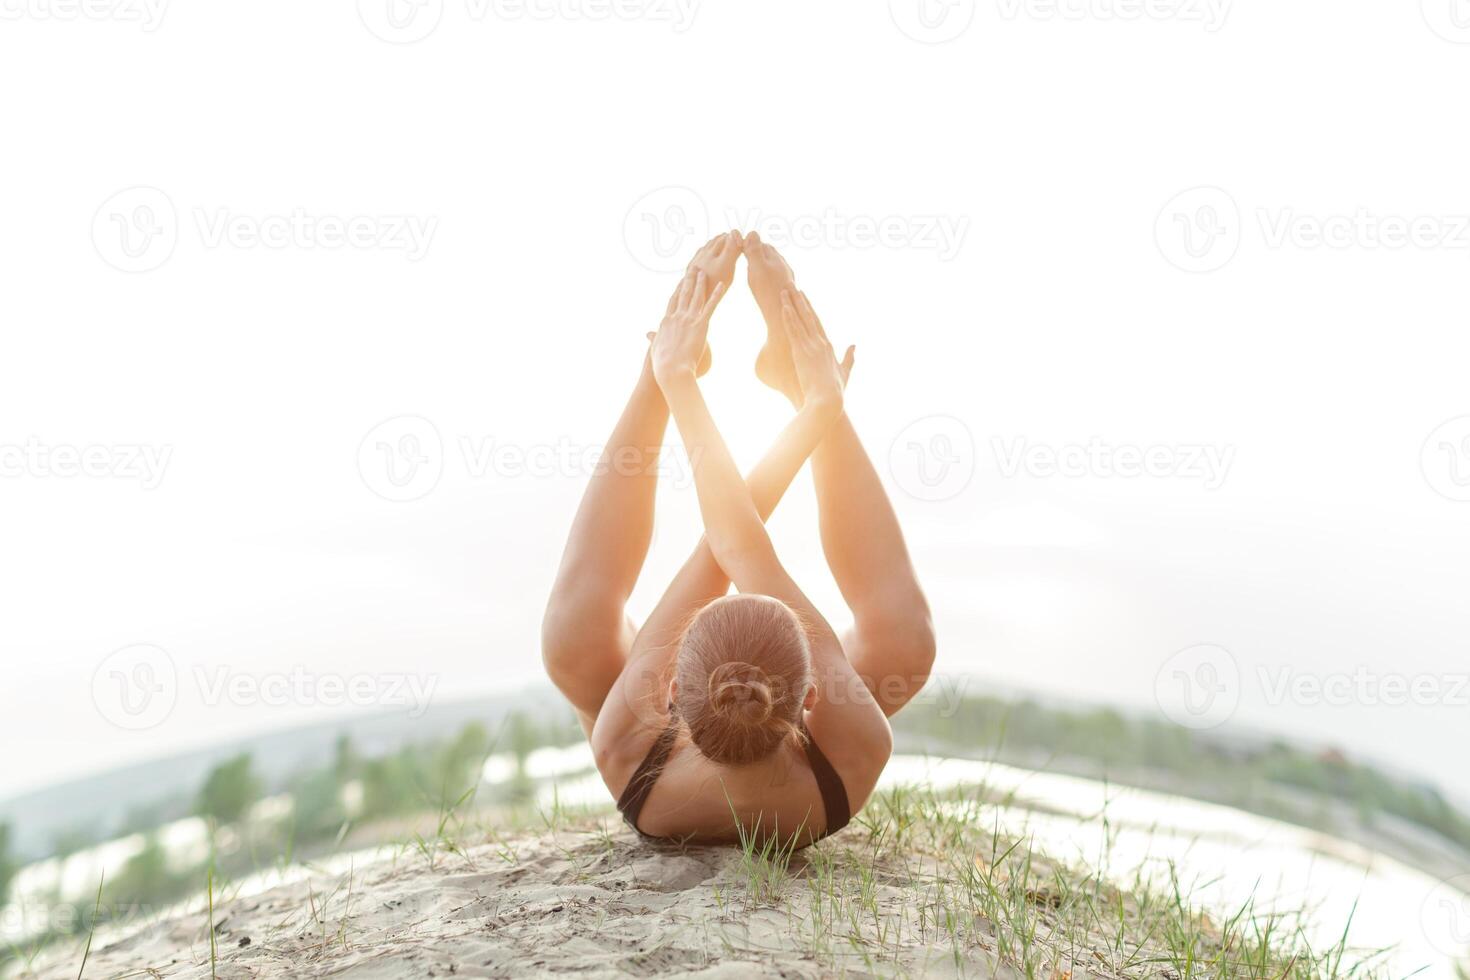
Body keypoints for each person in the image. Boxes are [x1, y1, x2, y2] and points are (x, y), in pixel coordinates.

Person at [541, 231, 935, 845]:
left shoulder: (625, 737)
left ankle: (655, 375)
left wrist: (673, 379)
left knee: (572, 637)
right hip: (797, 764)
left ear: (668, 693)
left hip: (651, 765)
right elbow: (740, 545)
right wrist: (817, 412)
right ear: (811, 701)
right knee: (905, 641)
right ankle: (804, 382)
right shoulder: (856, 744)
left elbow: (721, 549)